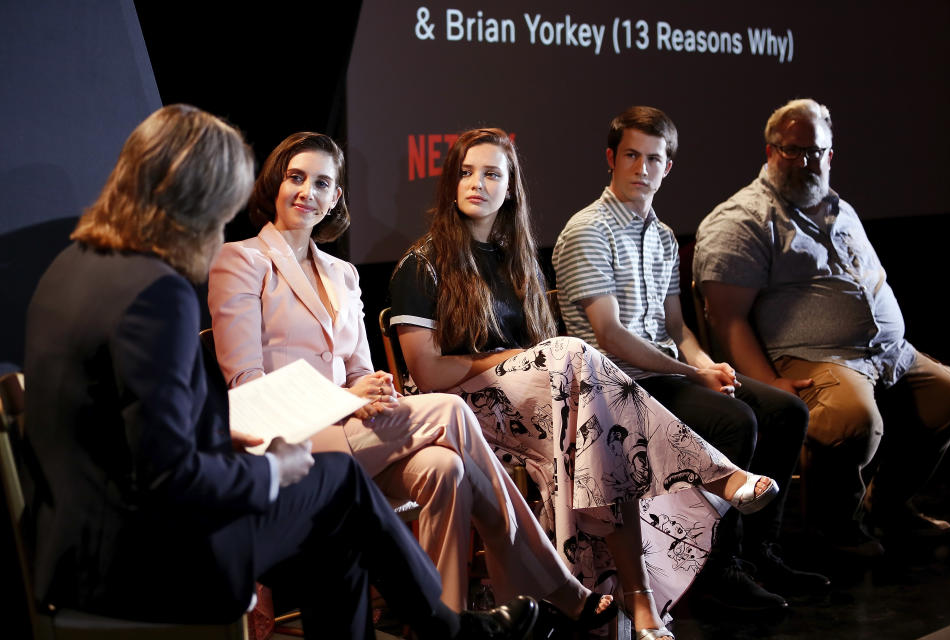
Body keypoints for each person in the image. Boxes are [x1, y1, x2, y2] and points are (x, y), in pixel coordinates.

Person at [22, 105, 538, 640]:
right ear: (194, 194)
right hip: (142, 557)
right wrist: (272, 468)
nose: (222, 223)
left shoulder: (70, 269)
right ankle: (457, 625)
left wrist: (235, 435)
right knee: (339, 491)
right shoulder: (158, 293)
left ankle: (447, 625)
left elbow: (142, 427)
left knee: (346, 496)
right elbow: (169, 474)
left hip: (82, 541)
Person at [207, 131, 615, 631]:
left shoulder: (342, 273)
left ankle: (444, 620)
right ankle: (556, 584)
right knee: (448, 409)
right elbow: (248, 385)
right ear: (275, 183)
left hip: (349, 435)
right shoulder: (240, 261)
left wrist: (371, 389)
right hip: (284, 444)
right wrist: (344, 396)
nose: (306, 193)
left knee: (443, 466)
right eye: (296, 178)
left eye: (321, 183)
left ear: (335, 198)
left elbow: (357, 371)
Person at [389, 127, 779, 638]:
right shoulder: (420, 265)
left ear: (511, 188)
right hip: (458, 413)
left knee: (598, 440)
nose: (476, 184)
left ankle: (632, 607)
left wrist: (533, 359)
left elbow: (540, 360)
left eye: (490, 174)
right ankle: (710, 480)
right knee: (575, 361)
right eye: (465, 172)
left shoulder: (516, 259)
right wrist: (517, 357)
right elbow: (429, 374)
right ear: (448, 183)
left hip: (534, 405)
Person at [552, 106, 827, 609]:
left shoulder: (661, 236)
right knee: (735, 422)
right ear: (611, 159)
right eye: (631, 156)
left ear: (667, 167)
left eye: (653, 159)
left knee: (787, 411)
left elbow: (676, 329)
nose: (641, 169)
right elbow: (610, 336)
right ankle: (718, 572)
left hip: (663, 375)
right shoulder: (586, 230)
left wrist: (707, 367)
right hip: (612, 388)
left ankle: (761, 551)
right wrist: (692, 372)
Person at [694, 98, 950, 555]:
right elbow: (726, 318)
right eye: (791, 151)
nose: (804, 162)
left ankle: (888, 506)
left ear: (830, 154)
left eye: (814, 152)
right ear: (770, 152)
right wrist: (770, 384)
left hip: (888, 355)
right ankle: (836, 527)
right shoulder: (742, 220)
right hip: (814, 357)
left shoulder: (839, 207)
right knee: (854, 421)